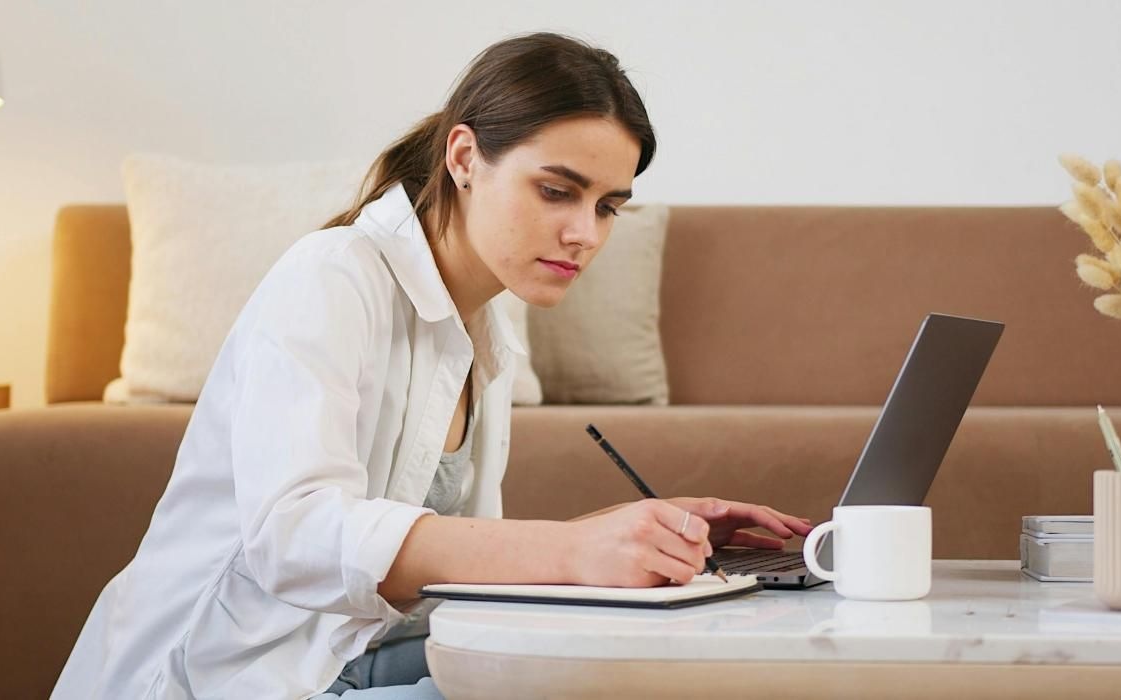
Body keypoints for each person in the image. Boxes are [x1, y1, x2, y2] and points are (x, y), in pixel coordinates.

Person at [52, 32, 814, 700]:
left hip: (360, 653)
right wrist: (573, 550)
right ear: (464, 158)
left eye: (609, 206)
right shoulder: (333, 276)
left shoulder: (486, 334)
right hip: (247, 673)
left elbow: (460, 562)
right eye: (557, 191)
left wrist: (632, 535)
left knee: (635, 667)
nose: (585, 233)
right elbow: (294, 535)